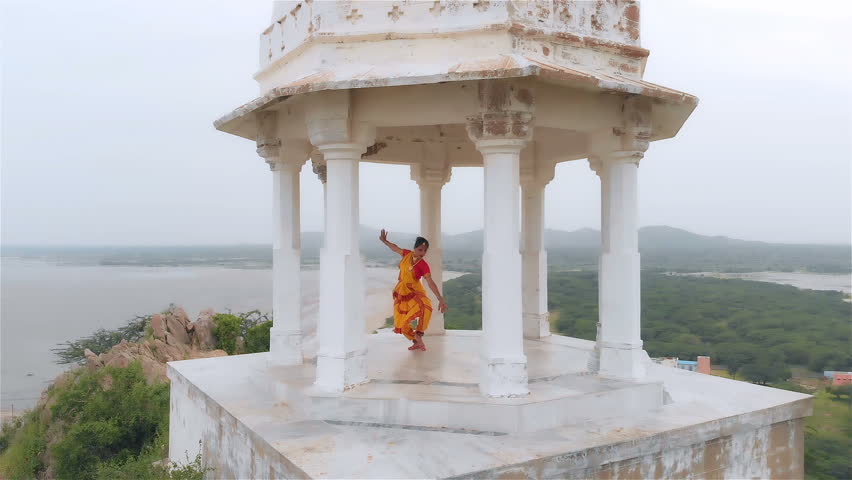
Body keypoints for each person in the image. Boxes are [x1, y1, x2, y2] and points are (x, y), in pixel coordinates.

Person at [379, 229, 448, 351]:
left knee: (426, 307)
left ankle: (419, 334)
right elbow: (395, 248)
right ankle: (415, 340)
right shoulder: (407, 254)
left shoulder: (423, 265)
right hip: (402, 291)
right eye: (420, 250)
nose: (422, 253)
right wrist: (385, 241)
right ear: (415, 248)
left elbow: (430, 282)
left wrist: (440, 299)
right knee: (402, 322)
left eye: (425, 250)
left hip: (415, 290)